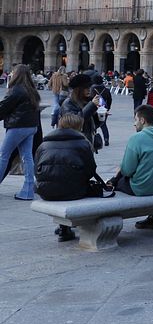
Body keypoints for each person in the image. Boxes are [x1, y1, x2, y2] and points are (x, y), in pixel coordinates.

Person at [34, 113, 96, 241]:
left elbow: (37, 171)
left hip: (46, 191)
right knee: (73, 186)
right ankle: (71, 226)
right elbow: (90, 171)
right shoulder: (83, 144)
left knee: (62, 184)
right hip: (75, 192)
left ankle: (64, 228)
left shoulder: (43, 145)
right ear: (78, 127)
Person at [109, 104, 153, 197]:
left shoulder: (136, 138)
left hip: (142, 188)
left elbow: (127, 171)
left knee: (117, 180)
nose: (134, 123)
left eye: (136, 120)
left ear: (142, 120)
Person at [0, 64, 42, 201]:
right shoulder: (32, 90)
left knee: (3, 156)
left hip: (17, 127)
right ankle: (28, 190)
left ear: (16, 74)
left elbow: (3, 108)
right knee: (27, 157)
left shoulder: (16, 90)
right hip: (31, 127)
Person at [60, 73, 102, 149]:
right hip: (74, 143)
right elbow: (74, 122)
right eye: (86, 88)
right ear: (78, 89)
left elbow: (94, 125)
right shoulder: (68, 103)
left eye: (90, 87)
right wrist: (91, 106)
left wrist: (101, 116)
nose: (89, 90)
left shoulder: (85, 102)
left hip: (87, 143)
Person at [92, 75, 112, 147]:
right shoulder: (106, 90)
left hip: (94, 108)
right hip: (103, 109)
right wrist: (108, 108)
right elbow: (109, 100)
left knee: (93, 124)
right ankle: (106, 139)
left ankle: (94, 139)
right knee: (103, 125)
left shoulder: (92, 89)